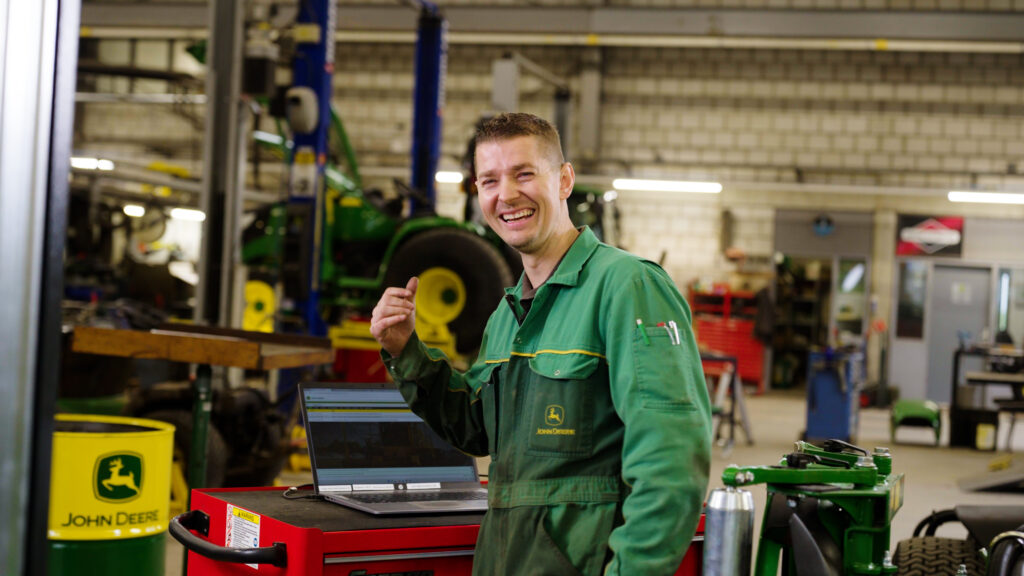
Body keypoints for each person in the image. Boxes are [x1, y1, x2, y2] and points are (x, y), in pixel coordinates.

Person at [371, 112, 711, 575]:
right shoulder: (508, 314)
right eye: (489, 180)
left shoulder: (627, 286)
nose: (506, 195)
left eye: (524, 174)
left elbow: (670, 464)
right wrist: (406, 350)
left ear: (565, 180)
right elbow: (475, 428)